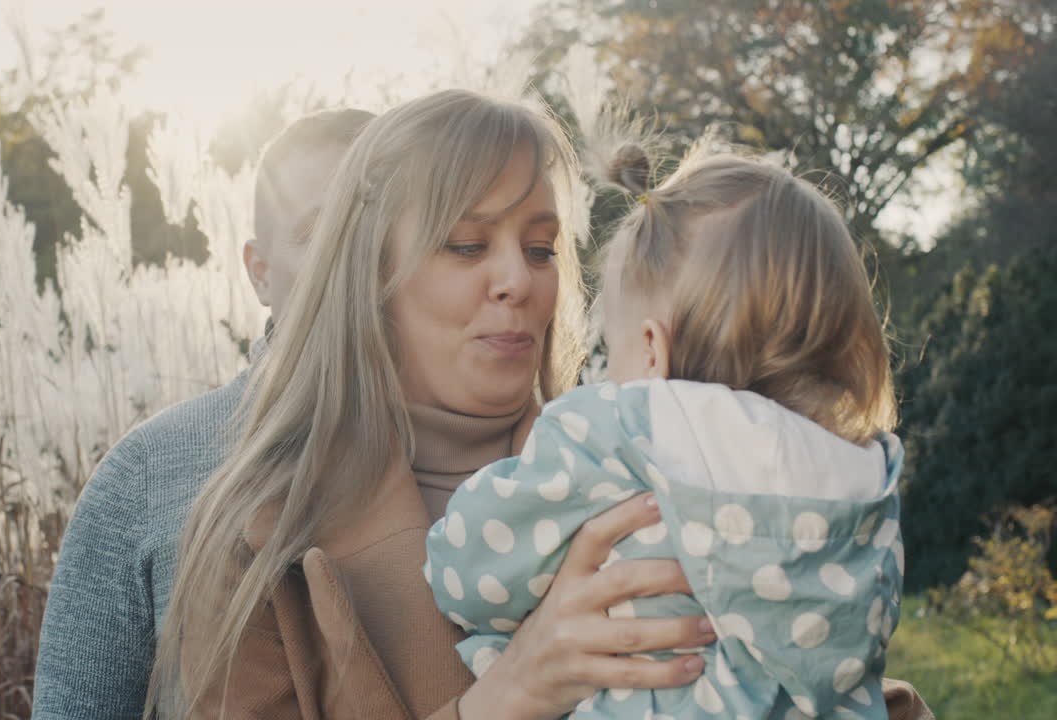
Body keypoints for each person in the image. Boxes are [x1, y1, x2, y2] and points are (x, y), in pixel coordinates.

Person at [147, 89, 930, 720]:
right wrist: (508, 695)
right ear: (368, 273)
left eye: (541, 248)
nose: (518, 281)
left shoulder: (662, 454)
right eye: (467, 244)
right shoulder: (260, 540)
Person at [426, 144, 910, 719]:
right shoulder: (865, 479)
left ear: (652, 348)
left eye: (614, 347)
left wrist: (451, 550)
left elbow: (474, 575)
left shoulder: (621, 429)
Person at [30, 108, 376, 720]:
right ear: (260, 273)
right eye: (317, 233)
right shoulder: (144, 475)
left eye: (374, 227)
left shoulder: (496, 450)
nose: (349, 258)